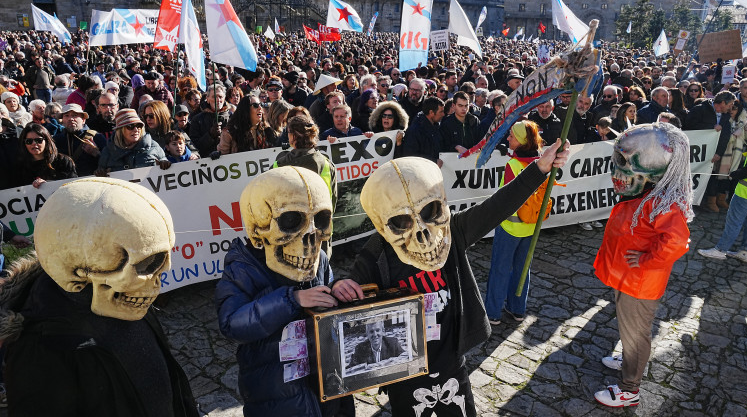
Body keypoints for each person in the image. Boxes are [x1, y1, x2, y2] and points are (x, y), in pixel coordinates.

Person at [331, 141, 570, 417]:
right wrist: (339, 286)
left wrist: (539, 168)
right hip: (404, 372)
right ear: (385, 225)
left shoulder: (451, 233)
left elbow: (497, 207)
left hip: (450, 361)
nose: (421, 234)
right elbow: (349, 289)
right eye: (402, 223)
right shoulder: (378, 254)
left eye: (429, 212)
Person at [0, 178, 199, 416]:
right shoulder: (41, 351)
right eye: (144, 265)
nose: (159, 275)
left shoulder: (126, 301)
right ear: (75, 272)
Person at [215, 167, 353, 417]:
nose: (311, 239)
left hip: (321, 380)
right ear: (258, 229)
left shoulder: (318, 258)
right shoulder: (243, 267)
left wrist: (336, 288)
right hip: (276, 393)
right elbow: (232, 323)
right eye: (291, 221)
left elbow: (325, 288)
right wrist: (291, 300)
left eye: (320, 221)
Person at [594, 123, 693, 408]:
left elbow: (676, 241)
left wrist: (648, 260)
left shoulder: (662, 204)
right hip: (629, 278)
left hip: (640, 282)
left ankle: (629, 389)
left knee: (636, 335)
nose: (618, 171)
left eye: (626, 163)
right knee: (629, 331)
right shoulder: (647, 196)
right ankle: (628, 362)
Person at [484, 121, 544, 324]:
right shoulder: (542, 162)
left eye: (512, 136)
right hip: (530, 227)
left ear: (521, 141)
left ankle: (492, 313)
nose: (508, 138)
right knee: (522, 269)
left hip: (510, 227)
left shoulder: (513, 165)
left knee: (500, 269)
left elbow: (508, 198)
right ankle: (517, 309)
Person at [698, 133, 747, 264]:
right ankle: (745, 252)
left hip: (746, 193)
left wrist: (734, 174)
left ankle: (720, 250)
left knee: (734, 222)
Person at [684, 91, 734, 212]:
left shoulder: (726, 115)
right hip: (696, 153)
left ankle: (702, 201)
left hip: (712, 154)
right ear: (722, 103)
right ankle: (687, 201)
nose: (731, 107)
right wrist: (710, 128)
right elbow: (687, 128)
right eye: (730, 104)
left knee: (708, 177)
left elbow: (725, 136)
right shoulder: (700, 110)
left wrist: (719, 153)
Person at [97, 109, 170, 174]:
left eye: (138, 126)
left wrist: (164, 163)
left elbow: (164, 162)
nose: (136, 130)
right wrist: (101, 173)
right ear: (120, 130)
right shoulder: (108, 151)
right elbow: (102, 176)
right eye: (130, 126)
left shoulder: (153, 146)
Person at [14, 123, 77, 188]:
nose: (34, 144)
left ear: (47, 141)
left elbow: (73, 186)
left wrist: (48, 185)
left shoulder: (63, 161)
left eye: (39, 140)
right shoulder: (20, 165)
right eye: (29, 141)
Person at [53, 103, 107, 177]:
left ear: (83, 120)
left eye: (74, 115)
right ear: (62, 120)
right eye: (66, 116)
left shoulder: (97, 137)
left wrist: (96, 153)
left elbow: (110, 163)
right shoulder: (57, 140)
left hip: (91, 183)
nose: (70, 119)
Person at [401, 97, 445, 166]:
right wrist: (433, 162)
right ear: (431, 112)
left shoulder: (437, 127)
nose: (443, 114)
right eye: (441, 112)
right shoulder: (415, 131)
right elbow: (410, 156)